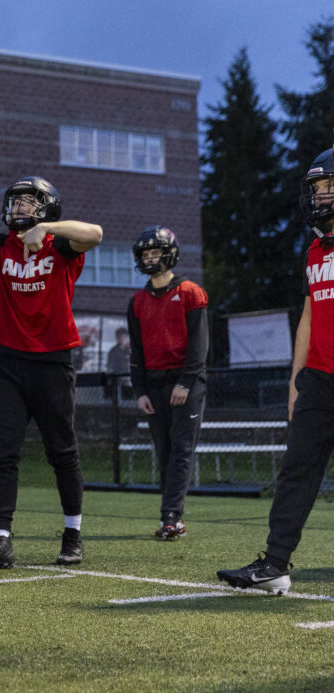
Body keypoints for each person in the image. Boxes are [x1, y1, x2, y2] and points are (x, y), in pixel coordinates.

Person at [0, 176, 103, 568]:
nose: (18, 208)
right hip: (8, 360)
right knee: (2, 451)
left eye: (29, 202)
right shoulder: (2, 244)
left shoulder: (61, 243)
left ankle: (72, 535)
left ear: (46, 207)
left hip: (53, 360)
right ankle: (0, 540)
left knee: (62, 452)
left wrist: (46, 228)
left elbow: (96, 233)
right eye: (15, 201)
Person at [217, 148, 334, 594]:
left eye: (328, 188)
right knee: (296, 470)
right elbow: (307, 317)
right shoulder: (314, 251)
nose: (320, 198)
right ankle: (276, 564)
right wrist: (294, 379)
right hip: (320, 380)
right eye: (317, 190)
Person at [127, 226, 208, 540]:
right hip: (154, 384)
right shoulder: (136, 302)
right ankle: (171, 516)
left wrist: (186, 382)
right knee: (164, 450)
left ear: (169, 254)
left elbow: (200, 347)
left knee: (182, 449)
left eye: (155, 252)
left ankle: (171, 517)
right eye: (145, 254)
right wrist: (139, 391)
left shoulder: (191, 292)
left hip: (185, 381)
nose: (150, 258)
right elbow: (137, 350)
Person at [105, 326, 133, 399]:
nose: (125, 339)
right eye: (122, 337)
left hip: (130, 382)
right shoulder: (113, 352)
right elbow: (110, 367)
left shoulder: (130, 350)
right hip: (118, 382)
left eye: (126, 337)